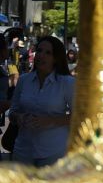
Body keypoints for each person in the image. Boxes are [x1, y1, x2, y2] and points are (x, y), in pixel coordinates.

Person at [8, 36, 75, 167]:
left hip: (54, 154)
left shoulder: (67, 82)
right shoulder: (24, 80)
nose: (41, 55)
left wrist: (49, 121)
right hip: (23, 152)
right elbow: (12, 112)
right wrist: (19, 117)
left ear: (56, 58)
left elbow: (80, 116)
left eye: (48, 53)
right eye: (39, 51)